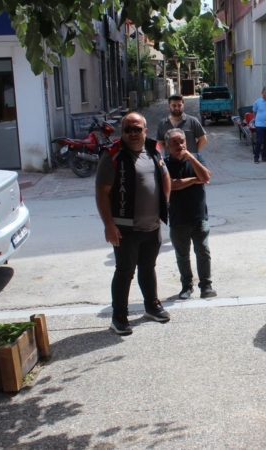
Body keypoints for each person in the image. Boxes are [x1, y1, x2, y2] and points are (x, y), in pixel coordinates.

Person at [95, 112, 172, 335]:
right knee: (124, 271)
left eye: (137, 128)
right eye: (127, 129)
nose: (132, 133)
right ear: (122, 132)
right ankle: (119, 316)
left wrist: (163, 205)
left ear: (145, 130)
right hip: (124, 227)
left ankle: (152, 306)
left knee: (148, 267)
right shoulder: (113, 155)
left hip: (152, 225)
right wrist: (109, 225)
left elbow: (164, 176)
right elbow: (102, 193)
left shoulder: (153, 149)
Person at [163, 128, 217, 300]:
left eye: (182, 141)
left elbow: (206, 176)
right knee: (182, 255)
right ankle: (187, 285)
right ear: (167, 146)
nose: (180, 145)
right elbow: (171, 185)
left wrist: (191, 158)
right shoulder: (164, 164)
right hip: (178, 218)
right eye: (175, 143)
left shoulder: (197, 158)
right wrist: (195, 179)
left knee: (203, 251)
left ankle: (206, 285)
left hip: (198, 216)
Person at [252, 86, 266, 163]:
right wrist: (256, 121)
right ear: (262, 93)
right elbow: (254, 112)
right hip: (260, 125)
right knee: (259, 141)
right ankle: (256, 157)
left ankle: (264, 157)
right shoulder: (257, 102)